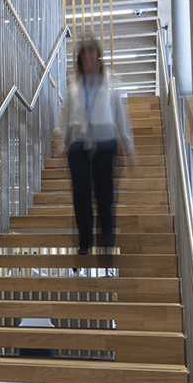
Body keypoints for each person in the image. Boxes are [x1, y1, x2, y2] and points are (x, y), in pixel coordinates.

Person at [62, 39, 136, 254]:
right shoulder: (74, 86)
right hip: (78, 143)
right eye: (84, 57)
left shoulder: (111, 81)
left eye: (92, 56)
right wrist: (62, 147)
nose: (89, 61)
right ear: (80, 61)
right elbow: (68, 118)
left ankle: (106, 237)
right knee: (82, 191)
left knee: (104, 193)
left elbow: (120, 114)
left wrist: (129, 145)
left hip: (105, 142)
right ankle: (85, 241)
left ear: (99, 58)